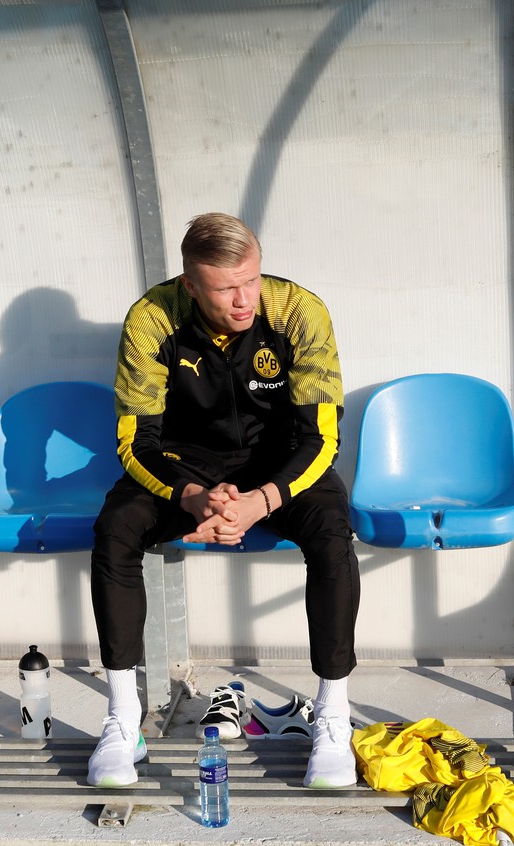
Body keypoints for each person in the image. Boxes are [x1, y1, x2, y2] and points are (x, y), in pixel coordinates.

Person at [87, 212, 361, 790]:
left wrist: (262, 500)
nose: (244, 301)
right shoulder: (151, 319)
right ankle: (123, 719)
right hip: (186, 468)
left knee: (334, 533)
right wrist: (191, 496)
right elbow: (136, 441)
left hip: (279, 465)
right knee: (115, 529)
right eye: (225, 288)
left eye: (251, 281)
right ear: (191, 286)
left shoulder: (299, 312)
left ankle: (333, 714)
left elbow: (323, 438)